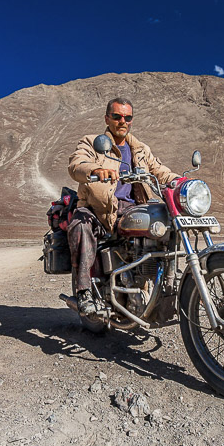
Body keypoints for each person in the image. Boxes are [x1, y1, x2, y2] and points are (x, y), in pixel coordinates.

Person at [67, 97, 179, 315]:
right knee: (80, 224)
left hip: (130, 208)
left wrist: (180, 182)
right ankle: (84, 292)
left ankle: (163, 282)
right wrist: (95, 170)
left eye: (127, 118)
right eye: (117, 117)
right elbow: (76, 164)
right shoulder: (92, 142)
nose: (122, 122)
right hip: (98, 209)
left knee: (167, 222)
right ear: (107, 118)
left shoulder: (140, 149)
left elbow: (159, 170)